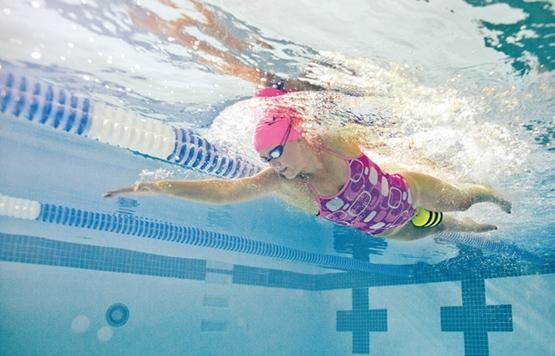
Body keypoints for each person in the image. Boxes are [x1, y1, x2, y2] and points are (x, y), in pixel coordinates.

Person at [104, 86, 511, 241]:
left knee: (461, 200)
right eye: (265, 159)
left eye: (275, 154)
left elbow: (377, 125)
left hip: (410, 190)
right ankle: (470, 228)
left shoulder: (333, 142)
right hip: (390, 228)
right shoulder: (284, 183)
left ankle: (489, 195)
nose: (272, 165)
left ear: (298, 137)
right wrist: (157, 186)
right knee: (442, 226)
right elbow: (225, 193)